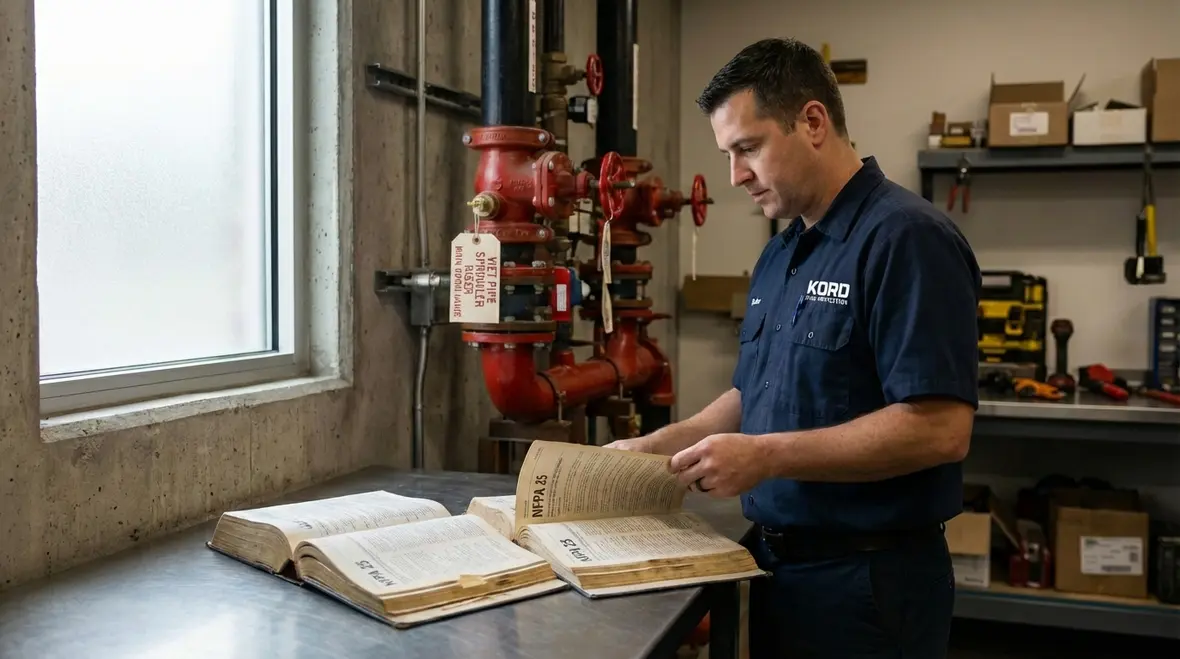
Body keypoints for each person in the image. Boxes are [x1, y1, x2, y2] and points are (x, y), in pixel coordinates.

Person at [605, 37, 981, 658]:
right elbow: (750, 395)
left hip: (868, 585)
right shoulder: (783, 252)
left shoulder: (907, 240)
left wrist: (765, 457)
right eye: (728, 154)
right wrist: (653, 448)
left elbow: (940, 430)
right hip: (780, 571)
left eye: (748, 148)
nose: (735, 176)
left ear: (812, 122)